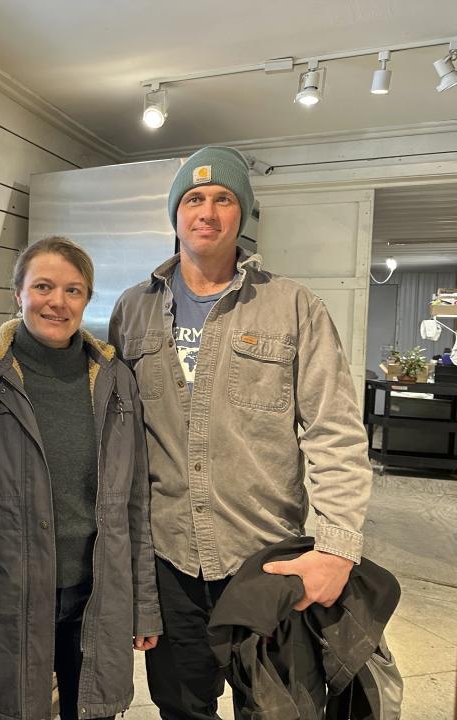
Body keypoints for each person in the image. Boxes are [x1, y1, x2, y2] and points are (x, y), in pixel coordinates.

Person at [108, 146, 373, 720]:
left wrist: (336, 548)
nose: (207, 211)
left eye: (223, 199)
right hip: (168, 560)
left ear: (242, 214)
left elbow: (336, 432)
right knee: (181, 707)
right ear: (175, 214)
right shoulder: (132, 311)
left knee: (276, 709)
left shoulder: (293, 307)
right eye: (194, 198)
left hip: (266, 559)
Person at [0, 237, 162, 720]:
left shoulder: (115, 378)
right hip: (8, 591)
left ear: (88, 299)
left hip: (95, 592)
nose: (58, 302)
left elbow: (135, 499)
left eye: (73, 290)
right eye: (43, 286)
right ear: (18, 294)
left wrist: (144, 604)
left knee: (91, 710)